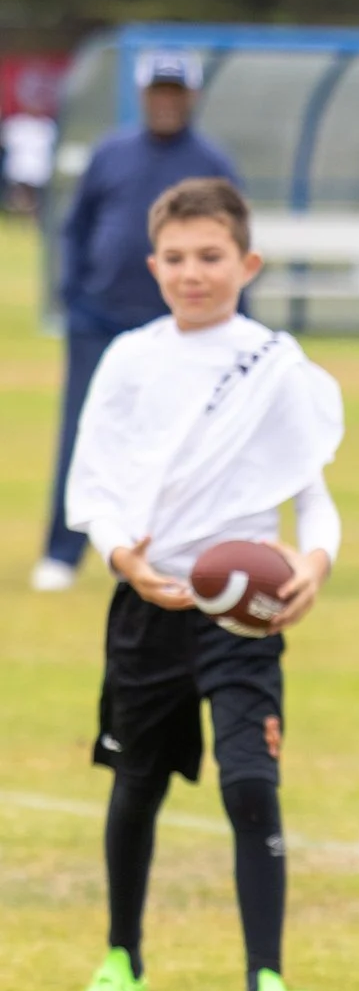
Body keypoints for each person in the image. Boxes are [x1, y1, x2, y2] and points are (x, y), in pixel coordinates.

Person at [61, 177, 341, 991]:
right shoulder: (130, 359)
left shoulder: (274, 364)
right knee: (136, 787)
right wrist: (124, 560)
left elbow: (315, 499)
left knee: (251, 787)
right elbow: (93, 485)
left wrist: (315, 563)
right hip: (149, 607)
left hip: (242, 618)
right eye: (176, 259)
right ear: (153, 267)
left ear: (246, 263)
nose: (193, 273)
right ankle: (121, 966)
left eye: (211, 257)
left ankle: (268, 990)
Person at [36, 49, 239, 593]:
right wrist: (75, 296)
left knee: (181, 445)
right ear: (144, 95)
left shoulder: (211, 162)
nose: (167, 102)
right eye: (158, 92)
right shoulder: (111, 153)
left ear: (192, 97)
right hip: (100, 321)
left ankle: (171, 552)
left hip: (177, 329)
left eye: (177, 93)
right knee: (84, 431)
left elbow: (232, 244)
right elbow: (75, 227)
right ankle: (62, 552)